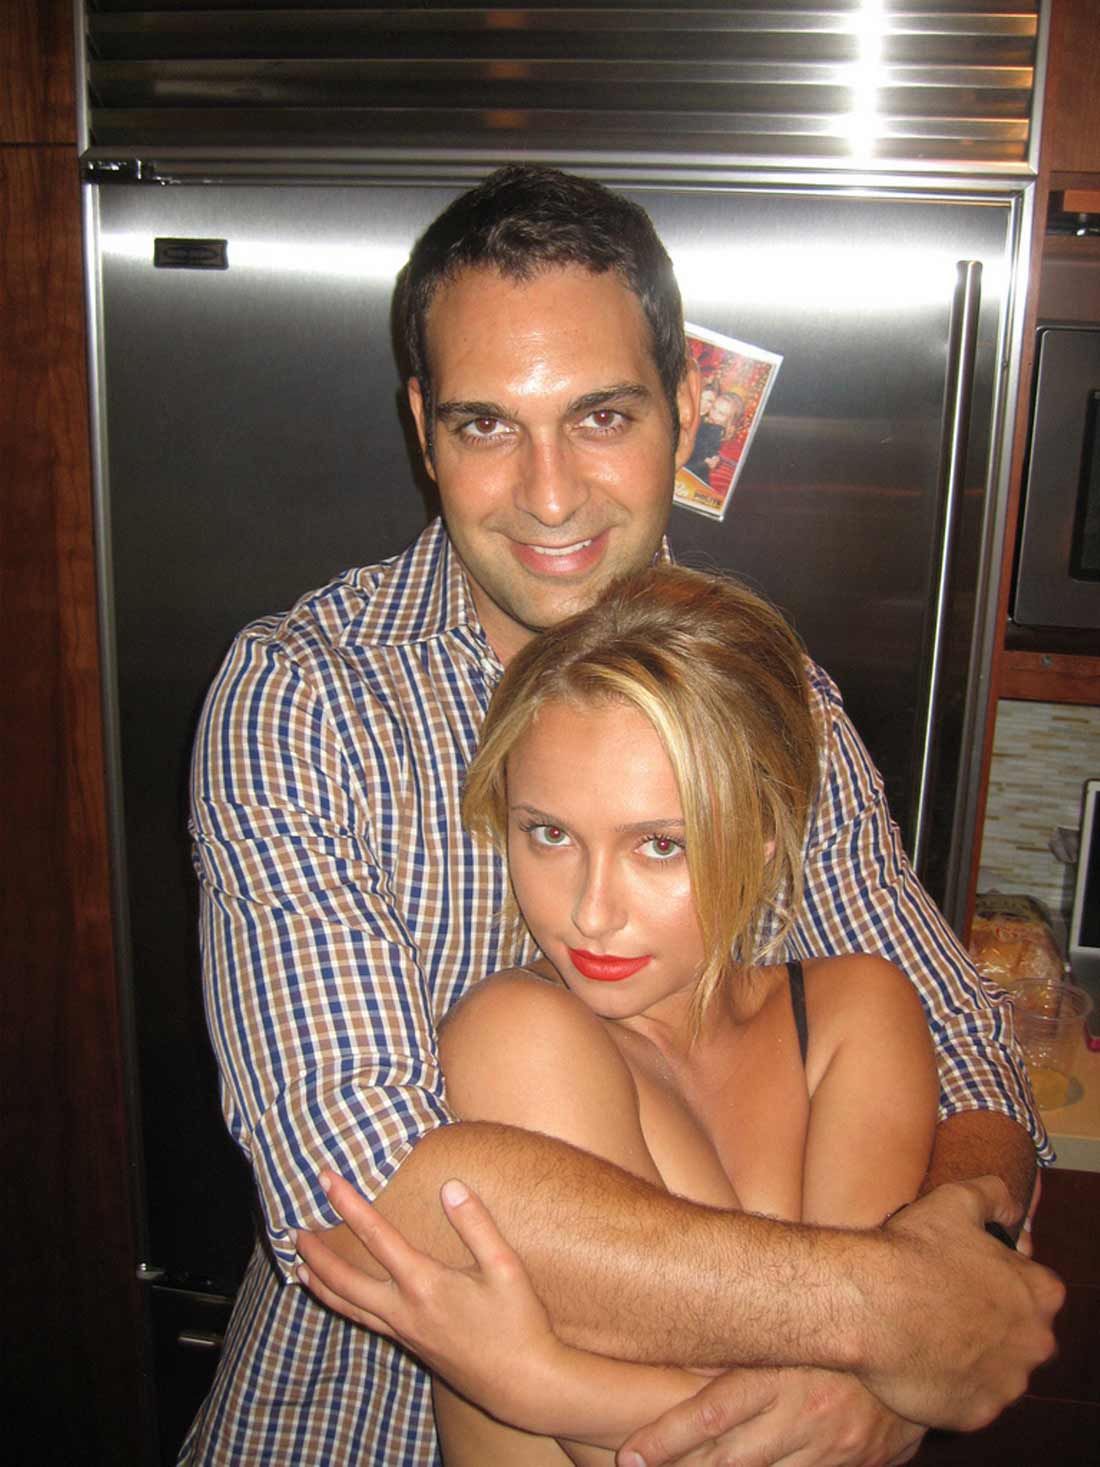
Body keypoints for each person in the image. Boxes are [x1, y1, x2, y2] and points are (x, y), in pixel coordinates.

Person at [181, 164, 1060, 1467]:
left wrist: (941, 1267)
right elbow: (362, 1185)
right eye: (485, 425)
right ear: (422, 427)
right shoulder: (308, 697)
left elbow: (963, 1049)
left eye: (600, 415)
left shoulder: (772, 700)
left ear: (686, 410)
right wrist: (887, 1318)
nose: (548, 494)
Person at [296, 562, 943, 1466]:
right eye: (549, 833)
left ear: (762, 837)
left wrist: (539, 1381)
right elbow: (834, 1412)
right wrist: (884, 1395)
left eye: (660, 845)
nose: (591, 912)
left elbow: (870, 1372)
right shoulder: (518, 1037)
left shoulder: (855, 1015)